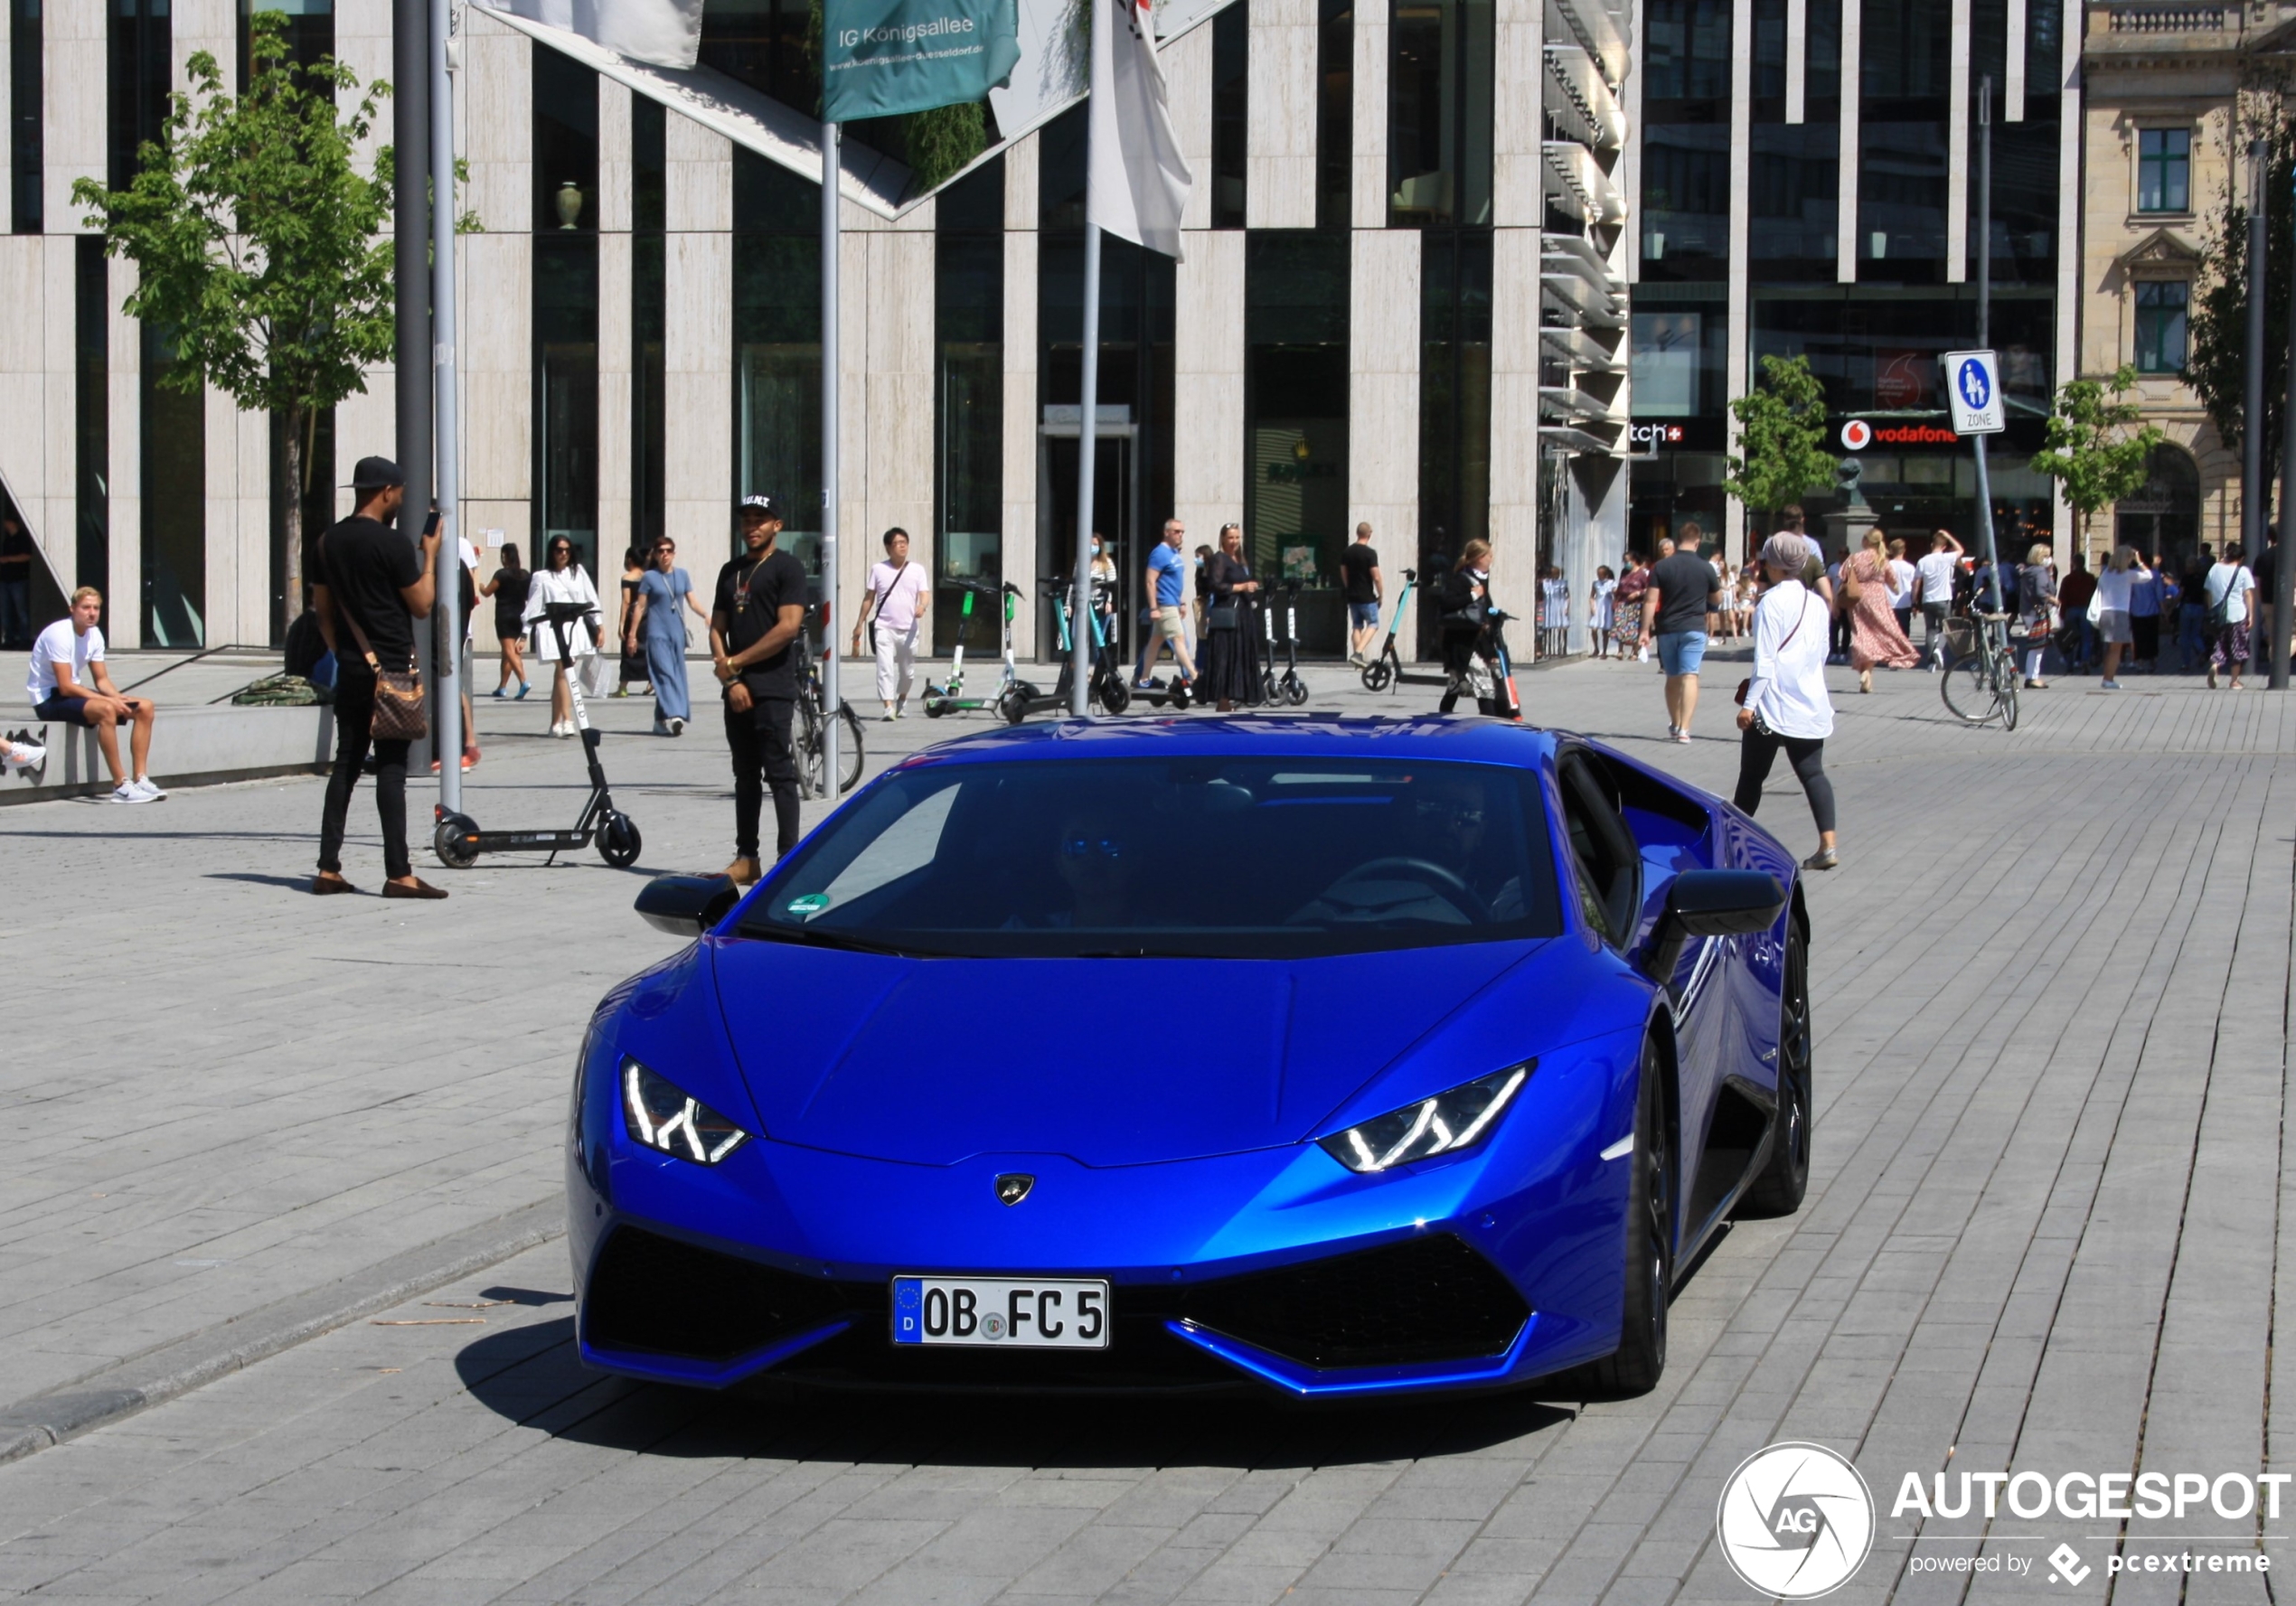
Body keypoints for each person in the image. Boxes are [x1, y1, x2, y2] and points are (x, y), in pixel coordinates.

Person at [310, 456, 446, 897]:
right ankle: (399, 873)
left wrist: (346, 655)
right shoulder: (391, 546)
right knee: (390, 770)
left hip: (353, 668)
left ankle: (328, 868)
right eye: (400, 493)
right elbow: (422, 604)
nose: (401, 500)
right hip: (392, 671)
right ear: (386, 491)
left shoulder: (326, 542)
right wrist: (429, 557)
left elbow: (324, 613)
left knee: (346, 764)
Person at [710, 493, 808, 884]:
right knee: (745, 774)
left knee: (779, 773)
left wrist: (737, 662)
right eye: (747, 520)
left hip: (772, 688)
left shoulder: (788, 568)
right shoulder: (730, 571)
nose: (752, 527)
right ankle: (747, 856)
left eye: (760, 520)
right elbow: (717, 629)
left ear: (776, 525)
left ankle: (788, 860)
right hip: (737, 690)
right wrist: (730, 677)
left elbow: (787, 628)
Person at [1735, 531, 1838, 872]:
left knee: (1752, 776)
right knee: (1813, 773)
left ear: (1772, 565)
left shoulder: (1771, 602)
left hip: (1772, 704)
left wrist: (1748, 705)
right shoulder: (1817, 604)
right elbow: (1822, 652)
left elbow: (1764, 661)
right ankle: (1828, 845)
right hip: (1809, 700)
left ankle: (1732, 845)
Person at [26, 587, 161, 803]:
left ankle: (140, 778)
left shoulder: (94, 634)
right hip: (48, 699)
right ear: (72, 609)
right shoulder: (59, 634)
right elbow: (65, 687)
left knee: (145, 707)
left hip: (72, 695)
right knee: (106, 710)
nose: (91, 613)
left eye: (96, 608)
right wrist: (109, 701)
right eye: (86, 607)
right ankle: (120, 785)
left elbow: (102, 681)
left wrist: (117, 697)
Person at [1641, 525, 1724, 743]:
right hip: (1694, 627)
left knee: (1672, 677)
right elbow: (1717, 599)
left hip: (1667, 628)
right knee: (1690, 676)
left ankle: (1675, 722)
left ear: (1677, 542)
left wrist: (1644, 631)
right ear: (1697, 542)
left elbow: (1650, 600)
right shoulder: (1706, 568)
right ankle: (1685, 730)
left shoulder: (1662, 567)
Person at [523, 536, 603, 737]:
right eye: (559, 550)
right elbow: (533, 605)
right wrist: (525, 633)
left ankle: (556, 723)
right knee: (563, 670)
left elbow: (590, 597)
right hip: (552, 628)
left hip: (574, 627)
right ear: (552, 552)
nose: (563, 554)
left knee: (564, 672)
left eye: (567, 550)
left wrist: (599, 625)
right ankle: (567, 719)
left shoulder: (578, 572)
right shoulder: (542, 577)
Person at [627, 536, 707, 736]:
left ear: (674, 553)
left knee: (675, 675)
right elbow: (640, 607)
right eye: (661, 551)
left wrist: (706, 615)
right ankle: (676, 714)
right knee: (665, 674)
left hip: (677, 634)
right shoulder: (649, 577)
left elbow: (692, 601)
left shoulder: (682, 575)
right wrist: (632, 635)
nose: (665, 554)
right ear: (655, 554)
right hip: (657, 634)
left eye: (668, 550)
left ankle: (659, 720)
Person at [851, 526, 930, 721]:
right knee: (884, 667)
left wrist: (923, 606)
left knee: (907, 671)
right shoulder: (878, 569)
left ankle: (902, 698)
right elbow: (869, 598)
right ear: (888, 548)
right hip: (884, 626)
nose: (902, 547)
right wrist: (859, 624)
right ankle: (888, 706)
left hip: (908, 628)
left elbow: (924, 593)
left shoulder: (917, 569)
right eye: (897, 543)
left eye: (904, 543)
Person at [1838, 529, 1918, 692]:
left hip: (1857, 598)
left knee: (1861, 633)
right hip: (1878, 598)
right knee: (1881, 632)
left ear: (1866, 541)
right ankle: (1867, 672)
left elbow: (1842, 575)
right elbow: (1893, 584)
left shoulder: (1854, 557)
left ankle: (1866, 674)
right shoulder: (1882, 559)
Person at [1201, 521, 1264, 712]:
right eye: (1230, 537)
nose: (1234, 541)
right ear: (1222, 539)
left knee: (1238, 655)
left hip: (1242, 613)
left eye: (1237, 537)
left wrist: (1251, 586)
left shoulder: (1238, 559)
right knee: (1226, 655)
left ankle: (1230, 698)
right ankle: (1223, 699)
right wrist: (1242, 587)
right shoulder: (1219, 558)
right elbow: (1216, 585)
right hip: (1228, 613)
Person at [1132, 519, 1198, 690]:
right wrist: (1153, 607)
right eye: (1176, 531)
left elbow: (1174, 581)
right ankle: (1194, 675)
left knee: (1155, 642)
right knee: (1179, 639)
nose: (1180, 535)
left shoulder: (1174, 553)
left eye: (1182, 532)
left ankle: (1143, 678)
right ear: (1166, 532)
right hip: (1165, 604)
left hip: (1173, 603)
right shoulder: (1159, 553)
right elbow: (1150, 581)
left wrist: (1181, 601)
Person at [1435, 540, 1496, 714]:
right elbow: (1446, 603)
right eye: (1489, 556)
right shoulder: (1461, 579)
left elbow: (1485, 610)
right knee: (1484, 686)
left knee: (1456, 685)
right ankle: (1490, 727)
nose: (1491, 559)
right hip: (1462, 644)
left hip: (1476, 642)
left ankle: (1443, 717)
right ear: (1479, 558)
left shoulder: (1480, 580)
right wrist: (1471, 596)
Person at [2094, 545, 2150, 690]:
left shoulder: (2106, 573)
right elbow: (2149, 576)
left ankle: (2107, 677)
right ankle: (2108, 679)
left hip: (2104, 612)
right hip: (2119, 613)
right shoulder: (2128, 575)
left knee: (2110, 648)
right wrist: (2140, 562)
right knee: (2116, 650)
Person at [483, 541, 532, 698]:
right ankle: (502, 686)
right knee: (508, 654)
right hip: (520, 615)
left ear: (505, 557)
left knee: (509, 651)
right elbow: (530, 595)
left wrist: (480, 585)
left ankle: (524, 681)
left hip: (504, 615)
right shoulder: (525, 575)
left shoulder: (501, 574)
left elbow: (487, 592)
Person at [2206, 541, 2256, 690]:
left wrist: (2211, 609)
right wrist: (2251, 615)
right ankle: (2234, 681)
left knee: (2220, 643)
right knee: (2238, 646)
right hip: (2237, 614)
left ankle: (2215, 665)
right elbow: (2248, 594)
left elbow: (2208, 592)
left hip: (2219, 614)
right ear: (2241, 558)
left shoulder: (2215, 568)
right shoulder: (2243, 571)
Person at [1915, 530, 1963, 669]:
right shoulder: (1946, 558)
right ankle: (1938, 649)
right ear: (1944, 547)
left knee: (1930, 630)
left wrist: (1914, 600)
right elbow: (1961, 550)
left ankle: (1930, 664)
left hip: (1928, 600)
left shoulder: (1923, 561)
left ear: (1931, 545)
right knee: (1946, 628)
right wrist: (1949, 536)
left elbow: (1917, 582)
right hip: (1944, 599)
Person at [2015, 543, 2059, 688]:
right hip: (2037, 611)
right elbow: (2045, 592)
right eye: (2046, 556)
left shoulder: (2030, 571)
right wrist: (2053, 600)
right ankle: (2032, 677)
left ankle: (2032, 676)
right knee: (2038, 646)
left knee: (2036, 646)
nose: (2049, 559)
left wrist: (2050, 572)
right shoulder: (2040, 572)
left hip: (2028, 610)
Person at [1340, 522, 1384, 665]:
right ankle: (1358, 654)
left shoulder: (1347, 552)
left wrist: (1349, 588)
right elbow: (1376, 577)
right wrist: (1381, 594)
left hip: (1352, 596)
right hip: (1367, 596)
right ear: (1369, 534)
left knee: (1357, 625)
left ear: (1357, 533)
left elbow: (1344, 573)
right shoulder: (1370, 553)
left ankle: (1358, 658)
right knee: (1374, 623)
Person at [613, 546, 651, 699]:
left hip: (632, 619)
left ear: (629, 560)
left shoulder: (627, 578)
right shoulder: (648, 577)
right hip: (648, 619)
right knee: (648, 652)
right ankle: (652, 683)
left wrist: (621, 624)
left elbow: (626, 602)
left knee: (629, 652)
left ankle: (623, 687)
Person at [2128, 549, 2167, 674]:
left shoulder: (2132, 574)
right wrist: (2164, 611)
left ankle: (2139, 663)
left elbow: (2129, 594)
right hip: (2152, 611)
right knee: (2152, 638)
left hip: (2136, 611)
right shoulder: (2155, 574)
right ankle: (2152, 662)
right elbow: (2160, 595)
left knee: (2138, 637)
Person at [2058, 549, 2096, 672]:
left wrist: (2062, 614)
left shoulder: (2068, 579)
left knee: (2070, 638)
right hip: (2085, 609)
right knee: (2086, 638)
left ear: (2073, 563)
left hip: (2071, 610)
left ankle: (2070, 665)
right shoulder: (2090, 578)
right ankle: (2084, 661)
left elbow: (2062, 598)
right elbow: (2094, 595)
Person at [0, 512, 33, 650]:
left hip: (19, 580)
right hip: (5, 580)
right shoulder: (7, 539)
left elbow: (27, 556)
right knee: (5, 611)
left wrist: (8, 559)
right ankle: (9, 639)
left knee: (21, 611)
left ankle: (25, 639)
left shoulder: (22, 538)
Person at [2178, 546, 2213, 670]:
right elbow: (2206, 593)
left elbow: (2181, 593)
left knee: (2184, 636)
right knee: (2196, 634)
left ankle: (2186, 663)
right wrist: (2207, 606)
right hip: (2199, 607)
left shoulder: (2185, 577)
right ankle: (2202, 650)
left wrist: (2174, 603)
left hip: (2187, 606)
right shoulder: (2203, 577)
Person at [1610, 553, 1649, 659]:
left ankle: (1635, 652)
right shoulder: (1624, 572)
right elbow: (1620, 585)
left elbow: (1647, 589)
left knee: (1634, 627)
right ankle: (1620, 651)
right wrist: (1616, 592)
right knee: (1620, 625)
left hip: (1636, 604)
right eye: (1625, 561)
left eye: (1628, 561)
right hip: (1622, 601)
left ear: (1634, 560)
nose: (1627, 563)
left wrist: (1637, 593)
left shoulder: (1642, 573)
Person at [1885, 538, 1917, 643]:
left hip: (1888, 602)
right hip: (1905, 603)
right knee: (1904, 631)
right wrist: (1914, 603)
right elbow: (1914, 585)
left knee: (1889, 631)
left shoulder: (1886, 566)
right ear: (1904, 550)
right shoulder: (1910, 567)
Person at [1589, 566, 1617, 659]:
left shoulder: (1612, 583)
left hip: (1607, 607)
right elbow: (1592, 596)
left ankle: (1604, 651)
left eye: (1600, 574)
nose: (1598, 575)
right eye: (1598, 574)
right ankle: (1596, 648)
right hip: (1598, 607)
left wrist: (1614, 594)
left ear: (1606, 574)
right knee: (1594, 629)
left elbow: (1615, 595)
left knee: (1605, 631)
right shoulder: (1595, 583)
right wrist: (1592, 606)